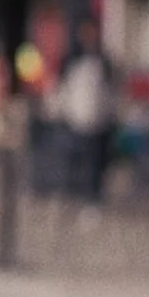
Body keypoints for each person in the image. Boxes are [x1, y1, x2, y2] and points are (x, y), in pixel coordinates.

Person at [53, 18, 115, 204]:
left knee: (96, 164)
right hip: (76, 119)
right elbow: (64, 90)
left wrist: (109, 115)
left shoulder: (103, 61)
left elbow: (109, 91)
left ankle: (93, 198)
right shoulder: (72, 60)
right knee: (75, 163)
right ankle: (74, 197)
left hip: (98, 121)